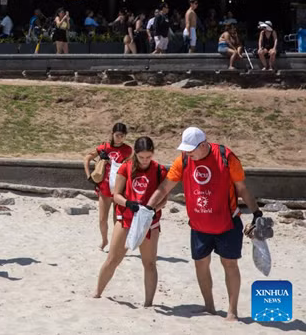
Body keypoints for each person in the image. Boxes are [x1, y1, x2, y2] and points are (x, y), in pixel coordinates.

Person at [145, 127, 262, 321]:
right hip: (199, 225)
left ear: (204, 144)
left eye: (191, 149)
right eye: (186, 150)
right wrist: (149, 207)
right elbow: (165, 186)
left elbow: (242, 188)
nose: (188, 153)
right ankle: (209, 307)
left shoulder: (226, 157)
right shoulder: (184, 159)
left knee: (230, 264)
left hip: (227, 222)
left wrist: (257, 213)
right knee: (200, 264)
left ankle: (232, 311)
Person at [94, 136, 168, 306]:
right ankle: (97, 292)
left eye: (149, 157)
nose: (145, 161)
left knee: (149, 263)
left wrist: (152, 210)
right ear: (135, 153)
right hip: (126, 218)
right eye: (141, 157)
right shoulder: (126, 167)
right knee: (113, 259)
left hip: (149, 222)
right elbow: (116, 195)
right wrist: (129, 203)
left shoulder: (159, 170)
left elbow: (164, 199)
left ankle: (148, 303)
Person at [83, 123, 133, 250]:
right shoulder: (104, 147)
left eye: (122, 136)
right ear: (112, 134)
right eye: (117, 135)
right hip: (104, 188)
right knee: (102, 219)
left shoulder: (128, 150)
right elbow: (87, 158)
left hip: (119, 189)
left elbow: (129, 167)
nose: (119, 138)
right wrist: (89, 176)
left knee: (118, 219)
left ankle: (116, 244)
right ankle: (104, 241)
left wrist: (112, 161)